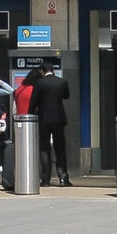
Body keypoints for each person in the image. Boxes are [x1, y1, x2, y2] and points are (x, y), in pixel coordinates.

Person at [32, 59, 72, 187]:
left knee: (44, 149)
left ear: (41, 71)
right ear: (52, 70)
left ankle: (45, 179)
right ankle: (63, 177)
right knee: (60, 148)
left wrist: (30, 114)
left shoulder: (39, 83)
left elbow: (34, 101)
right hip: (59, 118)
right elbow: (67, 96)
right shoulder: (62, 82)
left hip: (44, 118)